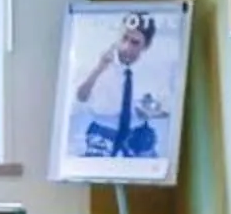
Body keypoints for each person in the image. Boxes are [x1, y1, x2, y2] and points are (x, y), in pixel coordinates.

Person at [72, 11, 168, 160]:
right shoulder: (96, 60)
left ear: (146, 46)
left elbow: (165, 109)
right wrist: (99, 69)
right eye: (124, 38)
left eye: (135, 43)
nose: (126, 47)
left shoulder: (154, 72)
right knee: (95, 166)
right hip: (103, 128)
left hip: (138, 131)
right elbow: (80, 97)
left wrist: (152, 110)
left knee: (154, 166)